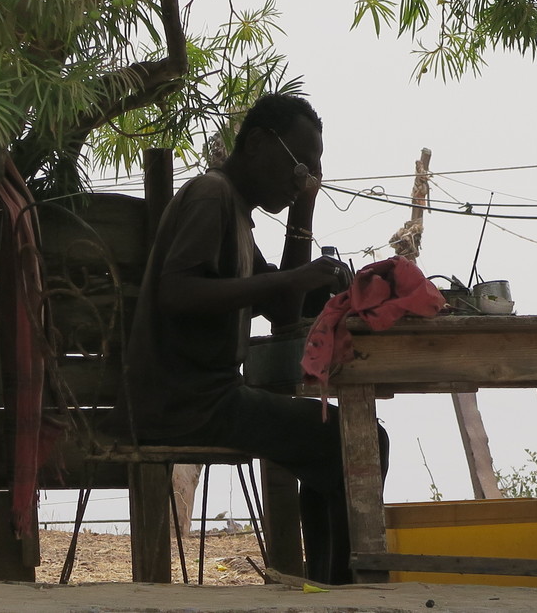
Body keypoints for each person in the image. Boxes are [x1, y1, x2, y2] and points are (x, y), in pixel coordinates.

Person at [118, 93, 389, 585]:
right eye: (299, 167)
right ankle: (347, 587)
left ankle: (329, 583)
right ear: (260, 144)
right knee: (362, 438)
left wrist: (302, 212)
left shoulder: (238, 213)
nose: (303, 180)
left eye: (311, 174)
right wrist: (291, 280)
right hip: (190, 405)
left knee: (332, 442)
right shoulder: (210, 195)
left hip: (205, 401)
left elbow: (284, 311)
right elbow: (176, 291)